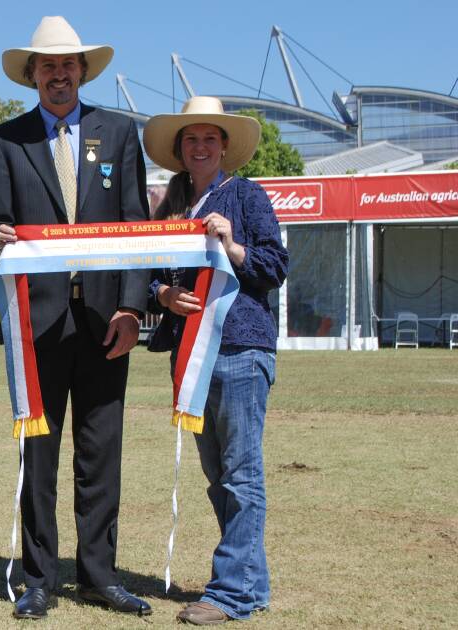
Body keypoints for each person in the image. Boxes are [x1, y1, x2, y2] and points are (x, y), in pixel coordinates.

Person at [0, 16, 152, 618]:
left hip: (108, 317)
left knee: (102, 451)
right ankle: (38, 577)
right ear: (32, 75)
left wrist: (134, 307)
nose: (58, 74)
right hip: (37, 322)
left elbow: (137, 226)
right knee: (38, 452)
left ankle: (100, 575)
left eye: (68, 65)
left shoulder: (121, 133)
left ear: (83, 70)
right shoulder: (4, 140)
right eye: (47, 66)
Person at [143, 96, 288, 625]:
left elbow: (275, 265)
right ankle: (250, 584)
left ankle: (229, 592)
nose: (200, 146)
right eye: (191, 139)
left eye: (209, 138)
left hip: (241, 348)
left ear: (224, 147)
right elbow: (153, 273)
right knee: (219, 474)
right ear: (181, 151)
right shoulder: (172, 209)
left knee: (240, 474)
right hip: (192, 354)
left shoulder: (247, 197)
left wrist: (234, 248)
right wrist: (162, 295)